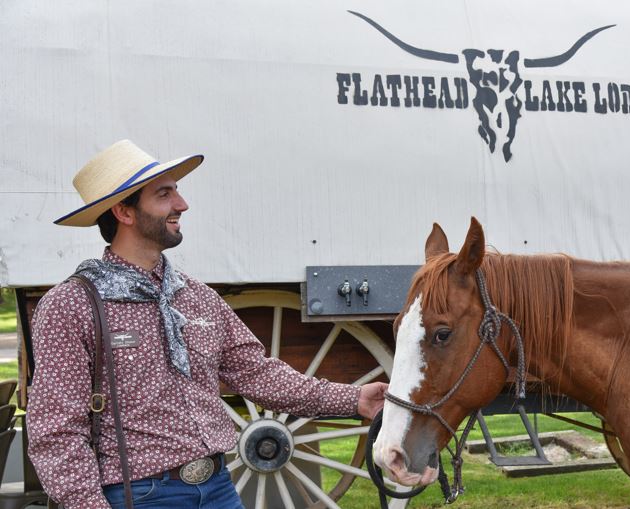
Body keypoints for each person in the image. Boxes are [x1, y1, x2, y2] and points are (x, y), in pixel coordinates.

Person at [26, 140, 388, 509]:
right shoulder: (71, 305)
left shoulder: (197, 297)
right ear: (124, 211)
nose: (182, 205)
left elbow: (258, 374)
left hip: (218, 488)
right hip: (140, 497)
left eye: (177, 193)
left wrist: (353, 398)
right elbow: (56, 430)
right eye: (164, 194)